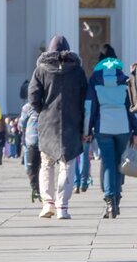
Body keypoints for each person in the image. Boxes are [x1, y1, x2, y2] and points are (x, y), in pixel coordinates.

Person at [28, 35, 89, 220]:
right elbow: (84, 97)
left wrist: (44, 111)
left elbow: (33, 97)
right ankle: (63, 206)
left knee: (46, 164)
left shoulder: (41, 70)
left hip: (48, 124)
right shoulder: (77, 71)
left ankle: (48, 203)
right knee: (68, 164)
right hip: (72, 122)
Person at [85, 44, 137, 218]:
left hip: (103, 127)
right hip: (123, 128)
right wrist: (135, 132)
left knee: (108, 163)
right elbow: (132, 108)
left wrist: (87, 129)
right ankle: (117, 197)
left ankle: (110, 202)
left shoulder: (94, 79)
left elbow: (90, 107)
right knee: (119, 163)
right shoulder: (125, 79)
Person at [18, 98, 42, 203]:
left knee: (30, 167)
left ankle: (35, 188)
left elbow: (21, 124)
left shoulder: (27, 107)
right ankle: (40, 189)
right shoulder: (49, 104)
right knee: (43, 167)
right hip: (46, 140)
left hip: (30, 140)